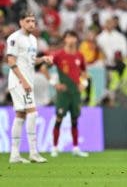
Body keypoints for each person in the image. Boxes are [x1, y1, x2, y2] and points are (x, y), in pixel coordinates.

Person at [6, 10, 53, 163]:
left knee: (20, 115)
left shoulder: (33, 39)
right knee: (32, 113)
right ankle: (33, 152)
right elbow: (11, 61)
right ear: (21, 22)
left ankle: (14, 155)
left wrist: (43, 59)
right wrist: (24, 81)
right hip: (19, 81)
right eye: (28, 21)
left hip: (27, 81)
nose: (31, 24)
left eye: (33, 21)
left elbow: (31, 61)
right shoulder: (14, 38)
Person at [50, 30, 89, 158]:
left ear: (76, 40)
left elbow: (84, 73)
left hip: (75, 93)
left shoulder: (79, 55)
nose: (72, 40)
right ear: (64, 39)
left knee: (74, 120)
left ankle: (76, 148)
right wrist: (55, 83)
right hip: (63, 94)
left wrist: (84, 83)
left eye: (74, 37)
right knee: (59, 119)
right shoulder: (58, 55)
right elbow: (44, 68)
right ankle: (55, 148)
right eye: (69, 37)